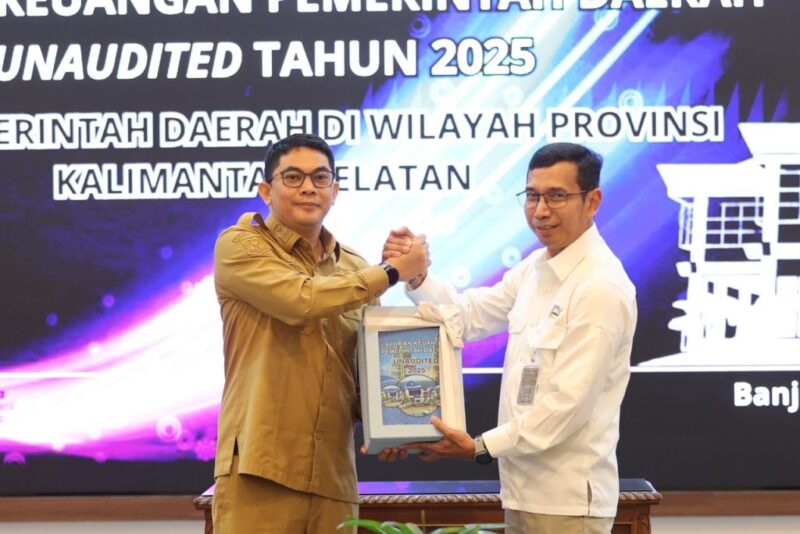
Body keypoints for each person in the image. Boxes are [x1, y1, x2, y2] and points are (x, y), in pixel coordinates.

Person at [381, 142, 637, 534]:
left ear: (592, 201)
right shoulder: (537, 267)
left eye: (556, 196)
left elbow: (567, 407)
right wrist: (415, 274)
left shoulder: (599, 287)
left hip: (567, 501)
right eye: (532, 196)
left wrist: (480, 447)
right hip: (523, 492)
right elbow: (468, 316)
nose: (540, 210)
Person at [211, 133, 428, 533]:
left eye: (320, 178)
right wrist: (392, 271)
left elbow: (362, 370)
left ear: (335, 191)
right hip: (262, 472)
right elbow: (301, 300)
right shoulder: (240, 245)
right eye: (293, 177)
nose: (308, 187)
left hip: (333, 477)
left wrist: (392, 425)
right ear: (266, 191)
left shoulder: (355, 268)